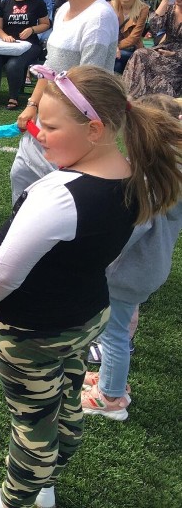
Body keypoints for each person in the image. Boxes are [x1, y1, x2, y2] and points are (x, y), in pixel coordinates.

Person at [0, 65, 182, 508]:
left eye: (48, 125)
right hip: (86, 317)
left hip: (33, 331)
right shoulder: (136, 175)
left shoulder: (59, 194)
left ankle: (17, 501)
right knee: (63, 397)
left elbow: (2, 273)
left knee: (33, 423)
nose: (37, 132)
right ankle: (50, 476)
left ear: (94, 129)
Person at [81, 93, 182, 421]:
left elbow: (127, 235)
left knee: (115, 335)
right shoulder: (173, 173)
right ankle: (112, 383)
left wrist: (93, 256)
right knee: (120, 328)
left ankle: (110, 398)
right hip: (151, 268)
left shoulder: (148, 182)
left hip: (129, 272)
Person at [10, 0, 120, 203]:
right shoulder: (61, 11)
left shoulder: (100, 18)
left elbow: (88, 85)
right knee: (22, 177)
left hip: (71, 125)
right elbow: (49, 67)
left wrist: (59, 123)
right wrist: (33, 105)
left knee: (62, 193)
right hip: (46, 119)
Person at [123, 0, 182, 99]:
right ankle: (129, 97)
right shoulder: (170, 10)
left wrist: (174, 54)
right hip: (164, 50)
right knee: (140, 55)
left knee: (150, 68)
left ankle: (134, 99)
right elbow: (155, 27)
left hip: (178, 58)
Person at [110, 0, 149, 74]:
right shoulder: (108, 6)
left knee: (117, 59)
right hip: (113, 48)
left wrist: (116, 47)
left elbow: (134, 38)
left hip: (132, 49)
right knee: (117, 62)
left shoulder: (143, 9)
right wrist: (113, 48)